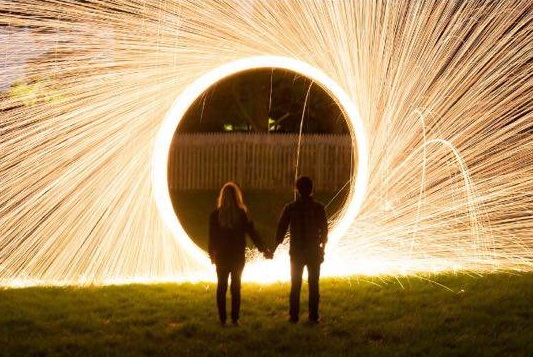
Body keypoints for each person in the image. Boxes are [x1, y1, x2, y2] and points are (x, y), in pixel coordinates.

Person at [208, 182, 271, 326]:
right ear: (237, 197)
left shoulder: (215, 215)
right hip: (237, 256)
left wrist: (212, 254)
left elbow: (212, 237)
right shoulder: (241, 214)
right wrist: (264, 250)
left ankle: (222, 319)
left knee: (221, 287)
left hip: (222, 256)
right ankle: (235, 319)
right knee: (236, 287)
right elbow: (252, 233)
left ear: (222, 197)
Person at [273, 176, 328, 323]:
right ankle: (313, 316)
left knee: (295, 283)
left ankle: (293, 316)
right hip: (313, 251)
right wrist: (322, 249)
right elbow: (324, 232)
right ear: (312, 189)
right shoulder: (319, 208)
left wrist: (273, 249)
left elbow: (281, 229)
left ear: (297, 190)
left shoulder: (290, 208)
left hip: (296, 252)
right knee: (314, 284)